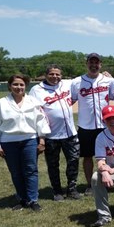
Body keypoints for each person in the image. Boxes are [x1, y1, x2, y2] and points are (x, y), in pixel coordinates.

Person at [0, 74, 51, 211]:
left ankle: (33, 200)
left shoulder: (33, 101)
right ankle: (22, 199)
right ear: (9, 86)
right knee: (16, 172)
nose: (18, 87)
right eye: (15, 84)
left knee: (31, 171)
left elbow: (40, 121)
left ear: (26, 86)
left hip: (29, 141)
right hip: (9, 142)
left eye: (21, 84)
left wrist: (42, 139)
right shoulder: (1, 103)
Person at [29, 64, 81, 201]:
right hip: (51, 135)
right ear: (46, 75)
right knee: (53, 164)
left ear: (61, 75)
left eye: (57, 74)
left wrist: (106, 75)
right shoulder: (36, 90)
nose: (55, 77)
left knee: (73, 161)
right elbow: (35, 113)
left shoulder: (67, 84)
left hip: (70, 133)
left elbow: (85, 78)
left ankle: (72, 189)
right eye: (52, 74)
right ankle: (57, 191)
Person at [71, 53, 113, 194]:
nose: (94, 65)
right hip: (85, 126)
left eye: (97, 62)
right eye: (91, 62)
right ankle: (90, 185)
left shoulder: (108, 81)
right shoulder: (77, 82)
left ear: (101, 64)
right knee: (87, 156)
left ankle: (109, 181)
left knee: (108, 156)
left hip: (104, 125)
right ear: (86, 63)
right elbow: (69, 100)